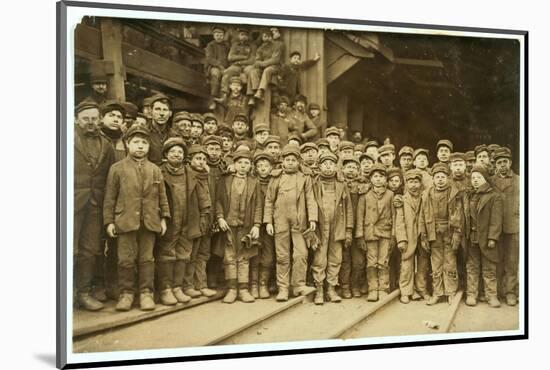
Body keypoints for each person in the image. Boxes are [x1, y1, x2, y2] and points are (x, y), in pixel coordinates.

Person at [103, 126, 170, 311]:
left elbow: (162, 196)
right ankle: (126, 293)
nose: (140, 147)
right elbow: (110, 197)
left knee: (147, 259)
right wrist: (109, 221)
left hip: (150, 221)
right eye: (136, 142)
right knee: (125, 259)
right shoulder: (117, 169)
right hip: (125, 221)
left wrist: (164, 217)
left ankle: (146, 293)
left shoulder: (155, 169)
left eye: (144, 143)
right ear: (127, 144)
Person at [155, 138, 209, 305]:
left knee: (184, 254)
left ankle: (178, 287)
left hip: (188, 220)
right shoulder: (159, 172)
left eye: (180, 152)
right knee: (166, 255)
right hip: (170, 221)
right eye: (172, 152)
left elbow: (203, 198)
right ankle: (166, 289)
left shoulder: (191, 174)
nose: (176, 154)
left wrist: (203, 216)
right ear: (166, 154)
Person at [74, 101, 115, 311]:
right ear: (76, 120)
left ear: (99, 120)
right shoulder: (63, 137)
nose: (90, 123)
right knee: (64, 249)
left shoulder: (106, 144)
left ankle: (84, 294)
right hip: (69, 203)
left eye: (93, 119)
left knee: (90, 250)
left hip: (95, 204)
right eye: (85, 119)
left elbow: (110, 177)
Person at [263, 145, 318, 301]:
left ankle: (298, 285)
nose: (291, 163)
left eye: (293, 160)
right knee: (282, 256)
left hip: (299, 221)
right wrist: (268, 221)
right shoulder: (276, 178)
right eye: (287, 160)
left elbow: (310, 198)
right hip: (280, 220)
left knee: (301, 253)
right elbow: (269, 201)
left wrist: (312, 218)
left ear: (298, 161)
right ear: (283, 161)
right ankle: (283, 288)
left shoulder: (304, 178)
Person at [216, 150, 263, 303]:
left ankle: (243, 289)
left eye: (246, 163)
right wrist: (220, 218)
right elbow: (218, 201)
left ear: (250, 166)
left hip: (246, 226)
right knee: (229, 256)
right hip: (229, 225)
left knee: (244, 256)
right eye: (240, 163)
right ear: (234, 164)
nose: (243, 166)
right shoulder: (225, 180)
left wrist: (256, 225)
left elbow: (258, 206)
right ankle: (231, 289)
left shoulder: (254, 182)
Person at [310, 152, 353, 304]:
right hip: (320, 226)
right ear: (319, 166)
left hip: (337, 226)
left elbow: (348, 209)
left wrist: (348, 230)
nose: (328, 167)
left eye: (331, 164)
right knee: (320, 258)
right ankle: (319, 289)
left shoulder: (342, 185)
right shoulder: (313, 183)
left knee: (336, 258)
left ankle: (331, 288)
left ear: (336, 167)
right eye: (325, 164)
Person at [419, 163, 464, 305]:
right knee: (436, 263)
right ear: (432, 179)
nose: (440, 179)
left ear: (447, 178)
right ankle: (437, 293)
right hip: (433, 232)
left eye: (443, 177)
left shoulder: (454, 194)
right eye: (437, 177)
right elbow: (422, 216)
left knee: (450, 262)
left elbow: (459, 216)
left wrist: (457, 235)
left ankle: (451, 292)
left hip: (449, 232)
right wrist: (424, 235)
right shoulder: (427, 194)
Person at [355, 164, 395, 302]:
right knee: (371, 262)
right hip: (370, 232)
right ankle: (373, 288)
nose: (378, 179)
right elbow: (360, 217)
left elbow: (395, 216)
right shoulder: (364, 197)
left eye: (381, 176)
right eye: (375, 176)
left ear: (386, 179)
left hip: (385, 232)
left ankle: (383, 288)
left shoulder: (391, 195)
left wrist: (394, 235)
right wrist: (360, 235)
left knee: (383, 261)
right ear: (371, 179)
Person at [465, 164, 503, 308]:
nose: (475, 180)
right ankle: (471, 294)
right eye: (473, 177)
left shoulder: (494, 196)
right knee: (472, 266)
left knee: (489, 267)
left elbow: (496, 220)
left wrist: (492, 237)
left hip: (487, 238)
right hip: (472, 238)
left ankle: (491, 295)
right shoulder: (469, 195)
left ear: (485, 179)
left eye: (478, 177)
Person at [181, 145, 213, 299]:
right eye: (198, 159)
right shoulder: (188, 176)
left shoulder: (207, 176)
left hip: (206, 219)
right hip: (193, 219)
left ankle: (201, 284)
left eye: (204, 159)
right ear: (190, 160)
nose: (201, 162)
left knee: (203, 254)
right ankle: (187, 285)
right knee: (191, 254)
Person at [491, 147, 520, 306]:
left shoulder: (519, 180)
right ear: (495, 165)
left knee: (512, 261)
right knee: (496, 260)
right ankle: (496, 292)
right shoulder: (491, 180)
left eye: (505, 162)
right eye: (499, 162)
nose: (502, 165)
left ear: (510, 163)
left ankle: (510, 293)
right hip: (495, 229)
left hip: (513, 227)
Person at [339, 155, 367, 298]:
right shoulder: (338, 183)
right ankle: (345, 287)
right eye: (348, 167)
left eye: (354, 168)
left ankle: (355, 284)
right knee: (344, 260)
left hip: (359, 228)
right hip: (341, 227)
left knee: (359, 261)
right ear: (342, 169)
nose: (351, 170)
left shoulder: (363, 185)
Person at [394, 169, 424, 304]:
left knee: (423, 264)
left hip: (423, 236)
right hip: (408, 236)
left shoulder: (425, 197)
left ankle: (421, 289)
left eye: (416, 182)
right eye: (411, 182)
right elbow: (399, 222)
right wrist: (401, 239)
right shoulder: (402, 200)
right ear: (406, 184)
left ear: (420, 183)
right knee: (407, 264)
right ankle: (406, 291)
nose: (413, 185)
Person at [249, 151, 276, 298]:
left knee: (268, 255)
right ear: (256, 168)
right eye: (260, 166)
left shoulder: (275, 181)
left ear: (271, 167)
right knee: (254, 253)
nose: (263, 168)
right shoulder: (252, 182)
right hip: (254, 224)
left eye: (266, 166)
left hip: (271, 225)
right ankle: (253, 285)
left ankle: (263, 284)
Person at [217, 27, 256, 104]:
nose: (243, 37)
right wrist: (243, 57)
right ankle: (224, 95)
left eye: (245, 35)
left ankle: (251, 96)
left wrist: (240, 62)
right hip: (236, 66)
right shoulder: (235, 45)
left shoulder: (252, 46)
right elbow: (230, 57)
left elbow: (252, 59)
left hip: (246, 66)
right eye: (242, 35)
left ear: (248, 36)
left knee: (251, 72)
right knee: (227, 72)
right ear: (239, 36)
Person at [245, 28, 283, 105]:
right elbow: (257, 60)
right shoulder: (260, 48)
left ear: (271, 37)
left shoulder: (278, 45)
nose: (266, 38)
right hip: (263, 67)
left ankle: (260, 91)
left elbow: (275, 59)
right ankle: (252, 95)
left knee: (267, 70)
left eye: (268, 36)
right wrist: (260, 64)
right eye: (264, 37)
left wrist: (262, 64)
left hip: (275, 67)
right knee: (253, 71)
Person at [204, 26, 230, 103]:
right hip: (214, 66)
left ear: (224, 36)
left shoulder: (227, 45)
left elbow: (230, 57)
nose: (219, 37)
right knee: (216, 74)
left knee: (229, 75)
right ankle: (213, 99)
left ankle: (225, 98)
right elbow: (209, 58)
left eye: (221, 35)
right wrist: (219, 66)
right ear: (214, 36)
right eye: (217, 35)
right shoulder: (210, 45)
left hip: (226, 67)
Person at [148, 93, 173, 166]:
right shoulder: (143, 133)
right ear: (150, 111)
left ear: (170, 113)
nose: (161, 113)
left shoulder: (175, 135)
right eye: (157, 109)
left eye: (165, 110)